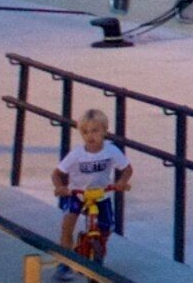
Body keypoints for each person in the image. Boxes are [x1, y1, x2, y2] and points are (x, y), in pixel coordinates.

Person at [51, 107, 132, 263]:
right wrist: (60, 187)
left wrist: (121, 182)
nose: (90, 136)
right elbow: (57, 173)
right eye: (85, 132)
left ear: (105, 131)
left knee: (106, 227)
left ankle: (98, 248)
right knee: (68, 223)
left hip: (102, 194)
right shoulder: (77, 154)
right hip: (78, 194)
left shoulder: (111, 150)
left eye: (95, 131)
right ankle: (64, 262)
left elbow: (127, 168)